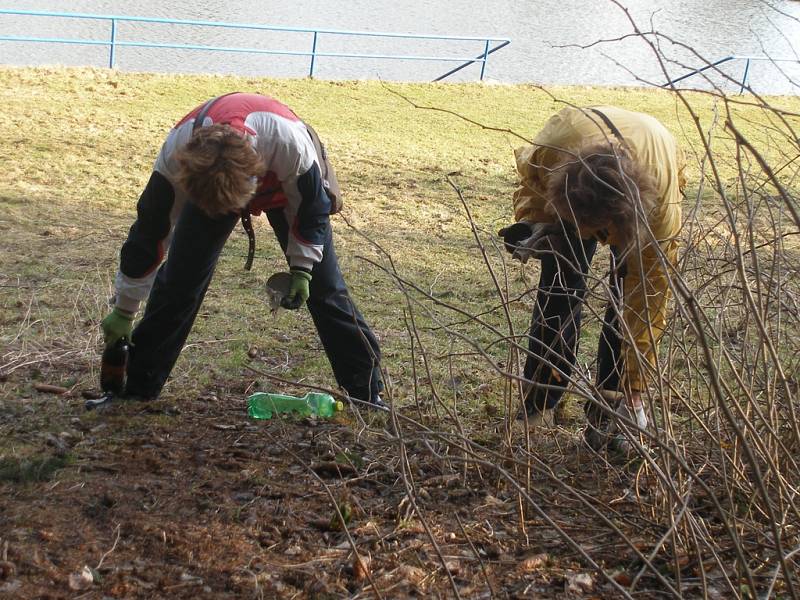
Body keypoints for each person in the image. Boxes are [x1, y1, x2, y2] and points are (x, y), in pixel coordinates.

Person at [101, 92, 385, 409]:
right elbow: (149, 232)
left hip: (285, 181)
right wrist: (124, 309)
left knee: (325, 287)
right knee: (180, 280)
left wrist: (303, 268)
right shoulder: (177, 155)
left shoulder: (289, 143)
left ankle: (366, 391)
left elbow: (311, 209)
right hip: (213, 181)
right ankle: (139, 387)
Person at [499, 105, 685, 448]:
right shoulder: (556, 145)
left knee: (627, 292)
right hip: (575, 161)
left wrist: (635, 385)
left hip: (648, 172)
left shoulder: (660, 209)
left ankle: (611, 407)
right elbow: (534, 180)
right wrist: (536, 223)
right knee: (560, 285)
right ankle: (540, 401)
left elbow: (648, 299)